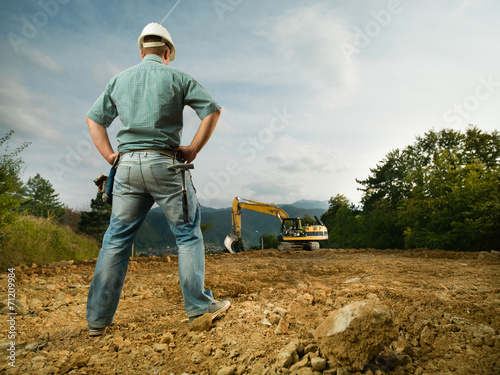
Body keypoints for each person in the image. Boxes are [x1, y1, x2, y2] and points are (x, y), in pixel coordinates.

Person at [85, 22, 229, 336]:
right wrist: (192, 148)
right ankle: (200, 307)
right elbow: (212, 112)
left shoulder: (118, 80)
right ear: (167, 53)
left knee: (116, 240)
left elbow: (94, 120)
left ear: (141, 51)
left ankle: (97, 321)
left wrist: (111, 156)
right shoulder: (179, 77)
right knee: (187, 235)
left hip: (126, 168)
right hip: (166, 164)